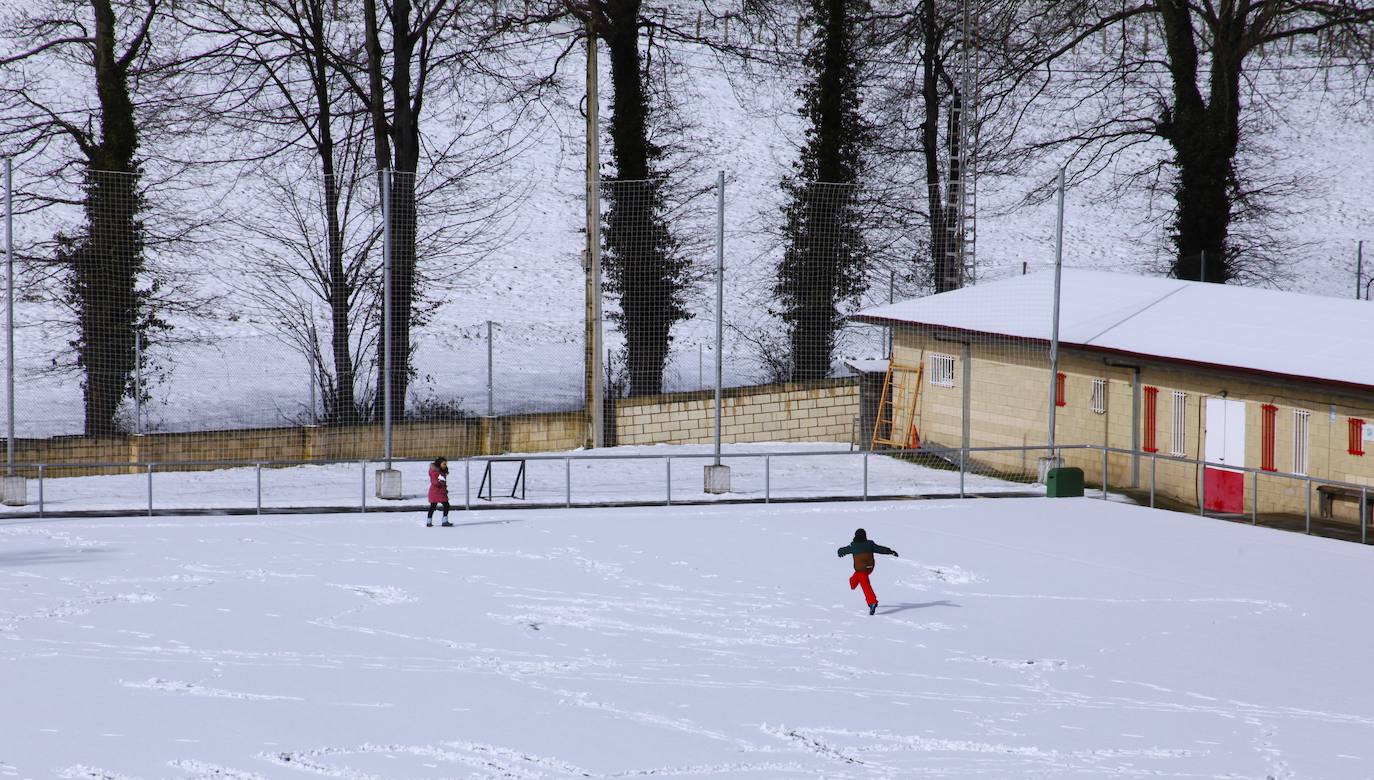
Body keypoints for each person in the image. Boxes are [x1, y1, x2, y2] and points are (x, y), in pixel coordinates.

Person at [836, 528, 898, 615]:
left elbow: (844, 550)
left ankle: (872, 602)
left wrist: (840, 552)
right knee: (856, 577)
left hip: (861, 569)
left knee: (865, 585)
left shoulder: (854, 545)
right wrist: (890, 551)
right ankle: (852, 584)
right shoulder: (870, 544)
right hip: (870, 568)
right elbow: (880, 549)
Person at [427, 457, 452, 527]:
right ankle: (429, 522)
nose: (445, 466)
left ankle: (444, 521)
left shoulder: (442, 471)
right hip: (435, 492)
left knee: (446, 505)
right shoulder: (435, 472)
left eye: (446, 464)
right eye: (444, 464)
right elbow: (434, 482)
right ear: (439, 464)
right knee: (433, 507)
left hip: (441, 492)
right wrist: (440, 482)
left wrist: (444, 487)